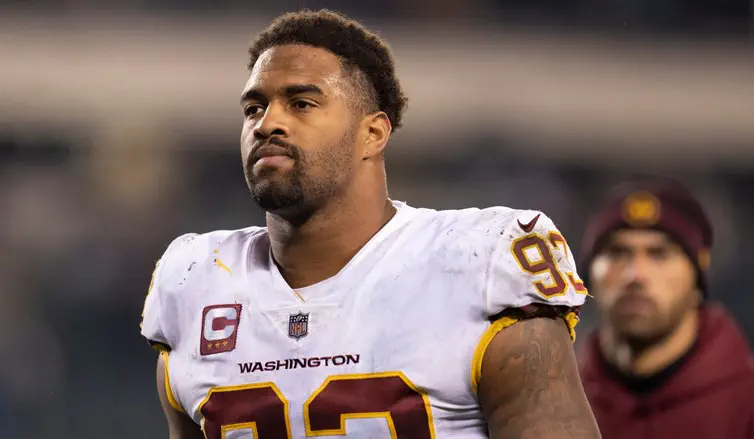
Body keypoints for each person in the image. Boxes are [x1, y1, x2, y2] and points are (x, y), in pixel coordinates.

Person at [140, 8, 600, 439]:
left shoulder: (479, 261)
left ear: (373, 133)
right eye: (254, 108)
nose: (267, 123)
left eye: (301, 103)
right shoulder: (194, 280)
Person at [577, 178, 754, 439]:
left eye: (659, 254)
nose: (635, 275)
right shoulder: (553, 406)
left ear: (698, 278)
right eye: (617, 253)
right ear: (589, 276)